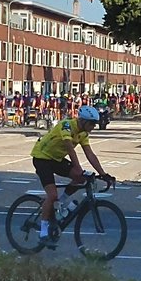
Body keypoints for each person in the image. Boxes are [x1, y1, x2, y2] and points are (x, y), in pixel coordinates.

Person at [30, 105, 114, 248]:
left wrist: (103, 174)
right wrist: (80, 169)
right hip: (42, 158)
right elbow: (70, 150)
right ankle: (43, 231)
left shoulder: (83, 134)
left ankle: (60, 205)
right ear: (83, 121)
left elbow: (90, 154)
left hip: (56, 159)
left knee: (80, 179)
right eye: (92, 123)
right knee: (52, 195)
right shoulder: (67, 126)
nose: (94, 126)